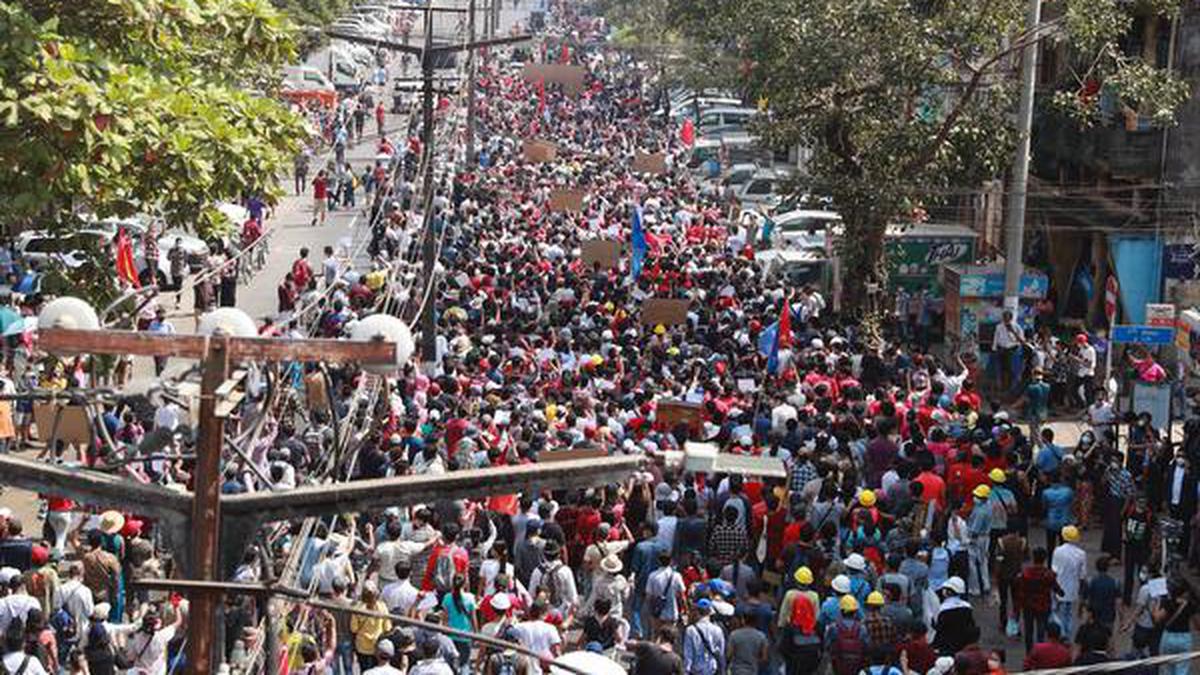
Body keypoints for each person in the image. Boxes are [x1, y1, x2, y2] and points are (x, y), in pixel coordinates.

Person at [1152, 578, 1195, 675]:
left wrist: (1157, 602)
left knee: (1167, 668)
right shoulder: (1190, 604)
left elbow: (1157, 618)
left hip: (1168, 637)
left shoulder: (1168, 603)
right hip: (1185, 638)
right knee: (1182, 669)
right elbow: (1198, 625)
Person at [1051, 525, 1087, 640]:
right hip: (1073, 587)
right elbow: (1082, 575)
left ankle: (1060, 633)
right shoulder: (1081, 554)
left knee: (1057, 611)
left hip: (1059, 585)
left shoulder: (1058, 551)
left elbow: (1054, 571)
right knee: (1069, 612)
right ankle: (1067, 634)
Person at [683, 599, 724, 675]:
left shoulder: (690, 630)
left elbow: (688, 655)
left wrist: (686, 672)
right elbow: (721, 654)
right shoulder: (718, 630)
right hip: (712, 671)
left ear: (697, 612)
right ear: (710, 612)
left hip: (695, 671)